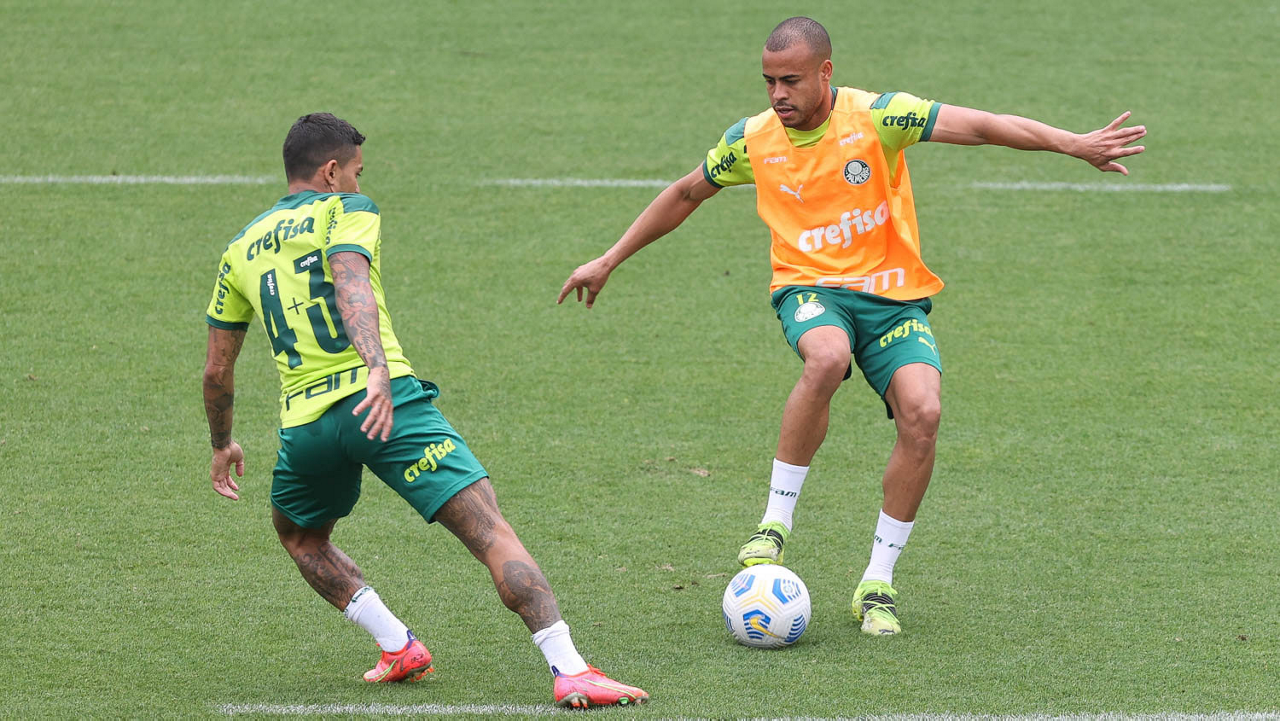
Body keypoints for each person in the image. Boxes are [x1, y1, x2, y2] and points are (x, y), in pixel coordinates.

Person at [558, 17, 1145, 637]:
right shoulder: (752, 140)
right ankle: (774, 523)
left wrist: (1072, 144)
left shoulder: (880, 117)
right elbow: (685, 194)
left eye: (791, 80)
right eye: (768, 81)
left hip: (892, 299)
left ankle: (877, 584)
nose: (777, 94)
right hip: (810, 290)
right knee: (827, 356)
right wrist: (609, 259)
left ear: (826, 72)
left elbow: (980, 125)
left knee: (924, 414)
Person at [203, 113, 647, 707]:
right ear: (331, 172)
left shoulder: (238, 250)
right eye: (357, 171)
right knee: (488, 529)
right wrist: (375, 366)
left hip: (306, 425)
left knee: (300, 536)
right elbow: (349, 279)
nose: (358, 182)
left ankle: (396, 644)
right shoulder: (346, 209)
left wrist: (222, 443)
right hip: (383, 401)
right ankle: (570, 669)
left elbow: (217, 370)